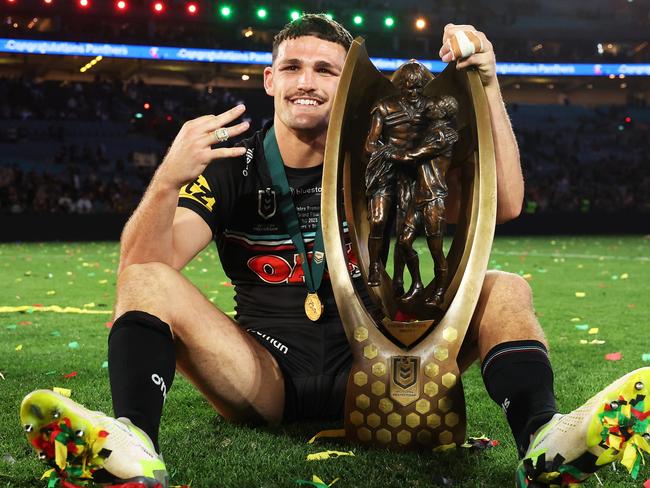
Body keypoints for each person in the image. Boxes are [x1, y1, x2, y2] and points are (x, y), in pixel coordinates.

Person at [20, 14, 649, 488]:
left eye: (326, 69)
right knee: (149, 281)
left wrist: (486, 83)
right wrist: (166, 178)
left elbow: (504, 203)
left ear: (349, 82)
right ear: (269, 79)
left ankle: (544, 439)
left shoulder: (383, 158)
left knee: (505, 286)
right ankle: (133, 444)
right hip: (264, 376)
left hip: (377, 372)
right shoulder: (236, 167)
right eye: (292, 67)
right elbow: (143, 268)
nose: (306, 82)